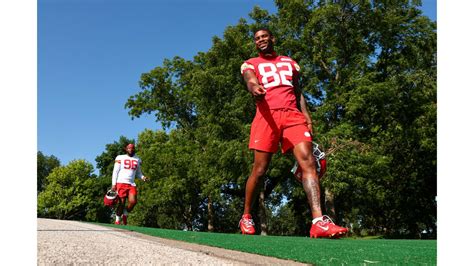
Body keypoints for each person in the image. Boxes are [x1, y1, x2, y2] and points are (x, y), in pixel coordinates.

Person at [239, 28, 348, 238]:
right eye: (257, 39)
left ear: (273, 38)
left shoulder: (290, 63)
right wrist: (254, 88)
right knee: (260, 170)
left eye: (264, 37)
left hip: (293, 117)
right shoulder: (250, 63)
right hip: (266, 117)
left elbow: (297, 91)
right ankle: (246, 216)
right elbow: (249, 79)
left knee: (308, 162)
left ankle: (318, 221)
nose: (261, 40)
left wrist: (306, 116)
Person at [112, 143, 148, 225]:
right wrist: (113, 184)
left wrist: (143, 177)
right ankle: (117, 220)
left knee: (133, 201)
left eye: (132, 148)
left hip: (131, 184)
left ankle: (126, 212)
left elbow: (138, 173)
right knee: (121, 203)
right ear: (126, 149)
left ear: (134, 149)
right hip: (121, 183)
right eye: (129, 148)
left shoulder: (137, 159)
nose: (130, 149)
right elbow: (115, 172)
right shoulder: (120, 157)